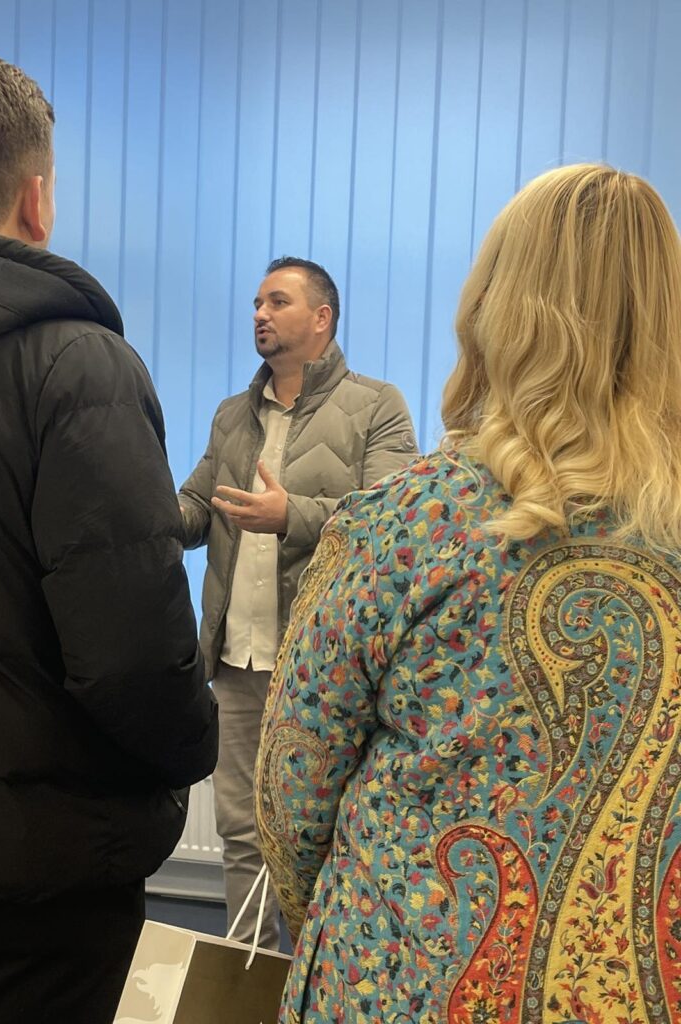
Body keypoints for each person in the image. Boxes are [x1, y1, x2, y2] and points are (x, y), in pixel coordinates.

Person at [256, 164, 681, 1023]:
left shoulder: (402, 526)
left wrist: (355, 927)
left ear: (495, 308)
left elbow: (292, 800)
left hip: (402, 983)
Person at [0, 53, 217, 1024]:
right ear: (35, 201)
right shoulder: (76, 366)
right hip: (40, 869)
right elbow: (132, 655)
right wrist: (192, 750)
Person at [179, 256, 417, 947]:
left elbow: (392, 523)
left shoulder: (376, 406)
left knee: (318, 835)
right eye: (257, 302)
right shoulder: (232, 415)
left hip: (322, 668)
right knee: (240, 831)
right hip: (237, 661)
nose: (259, 313)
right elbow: (197, 506)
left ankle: (313, 981)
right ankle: (244, 979)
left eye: (277, 302)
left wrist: (294, 516)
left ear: (321, 317)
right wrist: (136, 512)